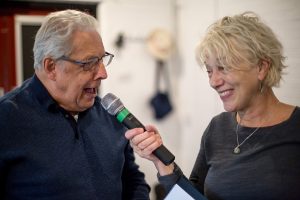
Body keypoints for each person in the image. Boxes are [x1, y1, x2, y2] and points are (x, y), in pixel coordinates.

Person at [125, 11, 300, 200]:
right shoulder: (217, 128)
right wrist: (161, 162)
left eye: (224, 67)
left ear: (261, 67)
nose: (214, 81)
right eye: (209, 71)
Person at [0, 9, 150, 200]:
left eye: (102, 60)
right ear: (51, 67)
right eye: (89, 63)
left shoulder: (109, 113)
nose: (103, 73)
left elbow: (131, 179)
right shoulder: (7, 119)